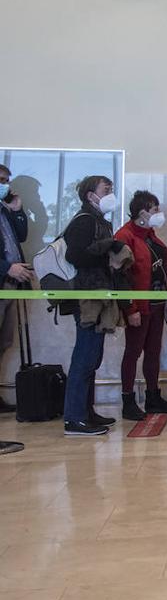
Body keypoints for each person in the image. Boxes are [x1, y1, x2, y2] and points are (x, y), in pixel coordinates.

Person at [62, 175, 125, 436]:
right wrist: (107, 246)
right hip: (87, 295)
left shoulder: (100, 221)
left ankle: (86, 411)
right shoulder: (85, 221)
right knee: (84, 356)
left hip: (100, 294)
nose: (111, 193)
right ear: (91, 195)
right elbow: (74, 254)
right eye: (106, 190)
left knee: (93, 357)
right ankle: (74, 417)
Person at [114, 191, 167, 421]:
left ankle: (153, 396)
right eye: (155, 210)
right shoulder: (125, 236)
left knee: (153, 351)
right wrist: (129, 307)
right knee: (133, 352)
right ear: (142, 212)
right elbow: (121, 276)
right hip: (139, 305)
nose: (158, 214)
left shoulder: (151, 236)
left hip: (157, 303)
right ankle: (128, 399)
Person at [1, 163, 34, 419]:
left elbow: (21, 236)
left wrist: (18, 211)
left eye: (6, 180)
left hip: (11, 286)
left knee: (4, 341)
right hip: (4, 277)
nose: (5, 185)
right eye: (1, 180)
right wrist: (6, 268)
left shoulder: (5, 209)